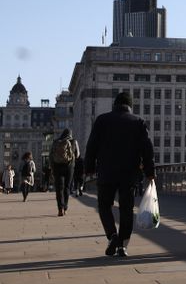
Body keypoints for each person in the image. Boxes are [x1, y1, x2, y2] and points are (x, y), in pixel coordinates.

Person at [85, 92, 155, 257]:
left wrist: (88, 168)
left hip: (106, 171)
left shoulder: (102, 120)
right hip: (129, 173)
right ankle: (123, 245)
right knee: (126, 209)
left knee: (104, 205)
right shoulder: (138, 121)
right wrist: (150, 172)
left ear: (114, 104)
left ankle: (112, 235)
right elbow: (147, 149)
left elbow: (91, 146)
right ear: (130, 106)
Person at [50, 128, 79, 215]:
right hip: (69, 167)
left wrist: (52, 168)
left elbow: (51, 155)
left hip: (57, 167)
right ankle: (65, 207)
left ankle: (60, 209)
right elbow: (77, 155)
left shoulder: (56, 141)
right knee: (67, 187)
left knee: (59, 188)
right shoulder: (74, 141)